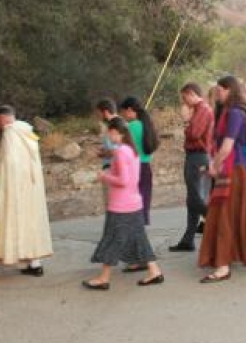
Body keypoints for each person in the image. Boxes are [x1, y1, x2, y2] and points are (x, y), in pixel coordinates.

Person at [198, 75, 246, 283]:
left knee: (224, 215)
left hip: (233, 170)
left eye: (220, 91)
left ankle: (223, 266)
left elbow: (227, 146)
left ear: (229, 90)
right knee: (241, 216)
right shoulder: (231, 112)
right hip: (233, 169)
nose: (217, 94)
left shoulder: (234, 113)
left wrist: (213, 165)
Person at [0, 105, 53, 277]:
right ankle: (34, 264)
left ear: (4, 119)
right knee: (29, 225)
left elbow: (9, 164)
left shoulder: (10, 134)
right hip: (29, 188)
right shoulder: (27, 131)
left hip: (11, 189)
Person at [82, 117, 164, 290]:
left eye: (109, 132)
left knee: (111, 239)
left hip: (121, 204)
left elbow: (123, 180)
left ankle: (104, 278)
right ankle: (154, 270)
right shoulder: (131, 150)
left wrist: (104, 176)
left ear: (115, 132)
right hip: (134, 202)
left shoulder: (120, 152)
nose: (108, 135)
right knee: (139, 239)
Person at [169, 83, 214, 252]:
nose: (184, 101)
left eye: (184, 97)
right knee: (191, 199)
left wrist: (187, 122)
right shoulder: (200, 109)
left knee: (194, 197)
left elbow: (195, 133)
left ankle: (214, 219)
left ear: (191, 94)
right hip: (195, 155)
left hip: (198, 155)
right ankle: (188, 240)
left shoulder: (203, 109)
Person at [118, 97, 159, 225]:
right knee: (144, 198)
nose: (123, 116)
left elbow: (121, 148)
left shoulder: (128, 128)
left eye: (123, 112)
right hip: (146, 167)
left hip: (133, 167)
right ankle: (142, 223)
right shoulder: (146, 125)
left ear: (130, 110)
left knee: (132, 199)